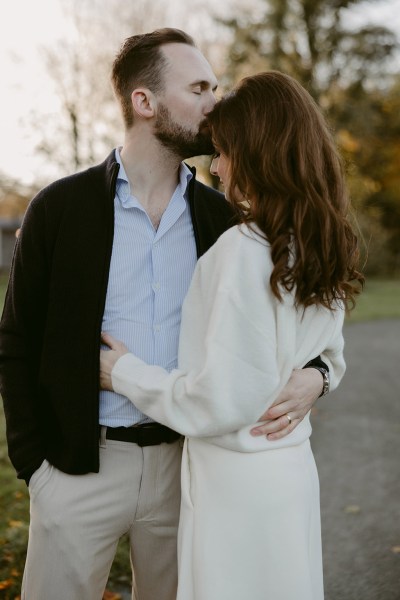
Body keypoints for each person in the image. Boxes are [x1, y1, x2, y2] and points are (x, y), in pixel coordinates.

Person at [0, 29, 328, 600]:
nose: (215, 103)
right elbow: (16, 339)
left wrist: (320, 373)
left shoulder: (226, 220)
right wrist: (37, 468)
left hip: (191, 469)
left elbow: (290, 319)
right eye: (199, 87)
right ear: (143, 102)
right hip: (81, 465)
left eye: (215, 87)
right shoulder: (60, 207)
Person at [99, 70, 364, 600]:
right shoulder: (319, 242)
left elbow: (212, 403)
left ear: (259, 153)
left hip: (238, 486)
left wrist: (121, 372)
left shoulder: (242, 253)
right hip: (290, 474)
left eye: (222, 152)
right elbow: (327, 350)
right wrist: (321, 373)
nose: (215, 168)